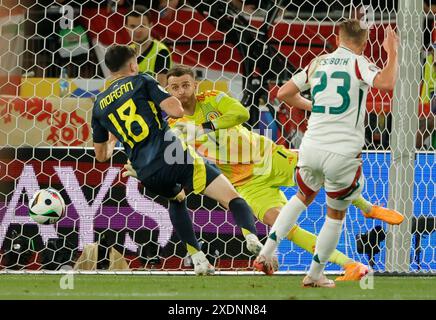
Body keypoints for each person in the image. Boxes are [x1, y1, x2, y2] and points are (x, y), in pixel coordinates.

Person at [124, 64, 403, 281]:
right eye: (174, 87)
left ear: (195, 85)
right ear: (166, 90)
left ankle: (367, 207)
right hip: (245, 185)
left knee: (325, 171)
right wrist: (139, 168)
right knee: (284, 227)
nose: (181, 92)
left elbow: (242, 115)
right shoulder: (171, 124)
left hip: (266, 156)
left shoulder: (214, 99)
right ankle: (352, 265)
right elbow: (162, 154)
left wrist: (204, 128)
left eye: (185, 85)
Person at [91, 45, 263, 275]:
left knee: (177, 198)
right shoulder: (142, 80)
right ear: (133, 64)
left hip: (144, 171)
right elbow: (176, 111)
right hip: (172, 154)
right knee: (233, 198)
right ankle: (251, 237)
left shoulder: (98, 105)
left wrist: (113, 138)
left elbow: (101, 156)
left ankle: (198, 259)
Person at [254, 20, 399, 288]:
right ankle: (315, 274)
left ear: (337, 37)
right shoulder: (360, 62)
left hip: (311, 147)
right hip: (342, 153)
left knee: (299, 199)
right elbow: (388, 82)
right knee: (335, 216)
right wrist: (392, 53)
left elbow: (284, 93)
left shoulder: (318, 62)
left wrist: (316, 106)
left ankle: (266, 253)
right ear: (365, 42)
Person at [125, 5, 172, 86]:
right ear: (126, 27)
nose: (137, 30)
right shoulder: (127, 51)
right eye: (132, 26)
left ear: (150, 26)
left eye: (142, 26)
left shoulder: (161, 51)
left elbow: (160, 90)